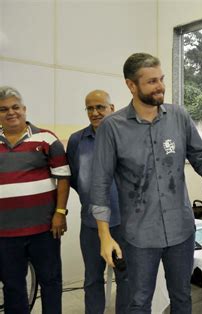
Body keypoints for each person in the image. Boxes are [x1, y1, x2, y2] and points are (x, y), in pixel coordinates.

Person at [89, 52, 202, 314]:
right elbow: (100, 184)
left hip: (181, 230)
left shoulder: (178, 116)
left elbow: (200, 157)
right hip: (139, 235)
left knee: (182, 297)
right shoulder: (112, 128)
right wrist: (105, 236)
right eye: (151, 82)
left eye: (161, 79)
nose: (160, 86)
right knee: (139, 301)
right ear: (131, 85)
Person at [0, 86, 70, 314]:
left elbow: (63, 178)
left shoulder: (46, 138)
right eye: (3, 109)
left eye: (15, 107)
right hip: (5, 234)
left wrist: (60, 213)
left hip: (44, 230)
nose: (11, 113)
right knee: (13, 287)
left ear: (24, 109)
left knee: (50, 282)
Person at [67, 90, 129, 313]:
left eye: (100, 107)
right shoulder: (77, 141)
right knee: (92, 279)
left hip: (124, 222)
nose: (95, 112)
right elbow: (75, 179)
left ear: (112, 108)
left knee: (126, 278)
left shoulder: (126, 137)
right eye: (90, 108)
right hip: (91, 224)